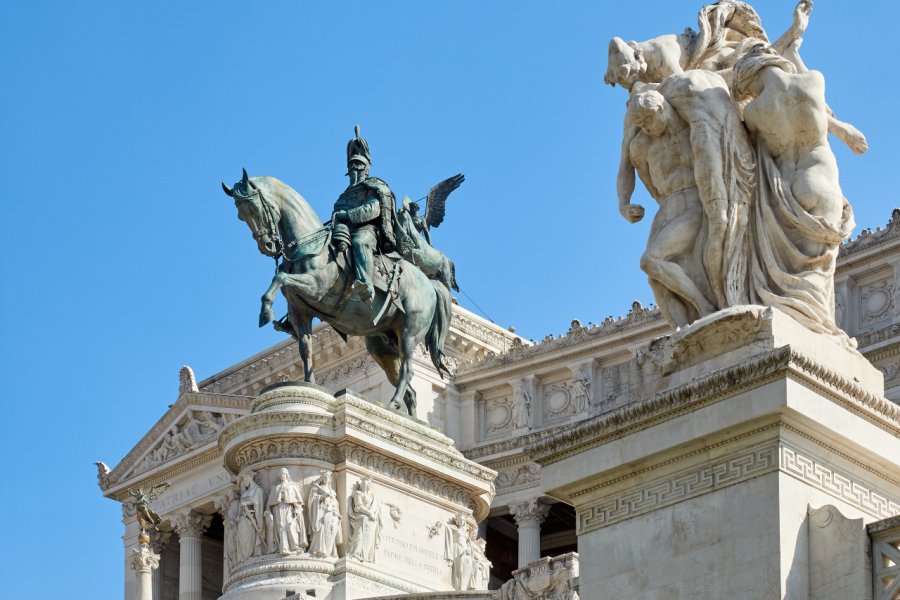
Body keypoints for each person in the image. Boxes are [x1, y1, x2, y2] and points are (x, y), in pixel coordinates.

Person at [732, 44, 855, 337]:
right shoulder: (813, 80)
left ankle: (797, 326)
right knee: (817, 272)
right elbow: (824, 115)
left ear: (749, 79)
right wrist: (845, 132)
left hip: (787, 193)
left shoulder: (754, 112)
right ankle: (818, 329)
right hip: (820, 179)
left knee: (794, 276)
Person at [331, 126, 407, 302]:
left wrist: (348, 215)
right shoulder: (343, 194)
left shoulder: (373, 185)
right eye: (351, 166)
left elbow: (374, 208)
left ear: (366, 168)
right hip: (343, 229)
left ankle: (365, 284)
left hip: (368, 230)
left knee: (359, 241)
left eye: (358, 165)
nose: (354, 169)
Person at [266, 468, 308, 555]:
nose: (282, 476)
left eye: (284, 474)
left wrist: (295, 505)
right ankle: (283, 548)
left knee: (290, 525)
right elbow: (270, 502)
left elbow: (299, 500)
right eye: (281, 474)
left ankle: (295, 546)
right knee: (280, 527)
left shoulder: (292, 486)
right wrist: (277, 500)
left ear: (287, 475)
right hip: (278, 509)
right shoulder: (275, 487)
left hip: (289, 509)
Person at [308, 471, 342, 558]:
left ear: (330, 479)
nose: (326, 479)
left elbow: (335, 503)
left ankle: (329, 550)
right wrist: (322, 497)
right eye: (324, 477)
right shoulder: (318, 488)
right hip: (321, 512)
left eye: (328, 477)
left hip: (331, 513)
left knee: (330, 530)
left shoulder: (332, 491)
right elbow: (313, 500)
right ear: (322, 479)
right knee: (321, 528)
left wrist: (337, 512)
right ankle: (319, 549)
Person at [347, 477, 382, 562]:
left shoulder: (373, 497)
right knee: (359, 536)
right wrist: (369, 513)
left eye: (369, 484)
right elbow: (358, 506)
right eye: (367, 483)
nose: (368, 485)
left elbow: (376, 508)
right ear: (363, 484)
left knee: (369, 539)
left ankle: (366, 558)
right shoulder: (358, 494)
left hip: (371, 521)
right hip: (360, 518)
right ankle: (355, 554)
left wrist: (372, 514)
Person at [235, 471, 265, 563]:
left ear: (249, 479)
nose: (244, 483)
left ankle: (253, 553)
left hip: (251, 519)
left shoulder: (257, 490)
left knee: (250, 537)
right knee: (242, 538)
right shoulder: (246, 493)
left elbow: (258, 504)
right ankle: (245, 557)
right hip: (242, 519)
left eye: (245, 480)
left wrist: (247, 503)